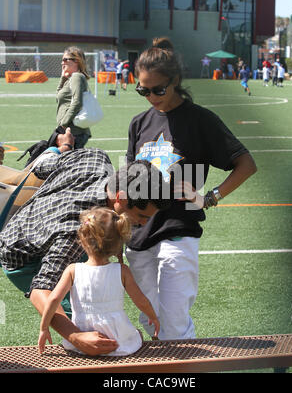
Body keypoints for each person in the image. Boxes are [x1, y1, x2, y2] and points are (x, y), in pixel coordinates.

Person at [125, 37, 257, 341]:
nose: (151, 97)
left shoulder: (200, 120)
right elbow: (131, 181)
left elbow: (246, 164)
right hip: (138, 237)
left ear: (175, 82)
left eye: (158, 89)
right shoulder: (138, 123)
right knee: (151, 322)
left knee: (173, 325)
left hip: (178, 230)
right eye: (143, 90)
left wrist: (209, 197)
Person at [0, 128, 170, 355]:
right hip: (24, 258)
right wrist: (76, 336)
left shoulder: (95, 158)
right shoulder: (75, 234)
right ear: (120, 198)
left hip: (34, 227)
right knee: (101, 338)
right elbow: (41, 289)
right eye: (141, 218)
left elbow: (42, 167)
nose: (142, 225)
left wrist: (64, 148)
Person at [38, 207, 159, 355]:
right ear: (118, 244)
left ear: (82, 239)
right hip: (117, 340)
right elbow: (141, 301)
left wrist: (44, 328)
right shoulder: (122, 270)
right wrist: (153, 317)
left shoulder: (72, 270)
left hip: (83, 339)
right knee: (137, 335)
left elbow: (53, 299)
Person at [56, 46, 91, 149]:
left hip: (74, 132)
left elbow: (77, 102)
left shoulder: (77, 77)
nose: (62, 63)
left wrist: (63, 124)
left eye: (65, 60)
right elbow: (58, 96)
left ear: (76, 61)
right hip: (70, 131)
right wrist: (63, 77)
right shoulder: (71, 78)